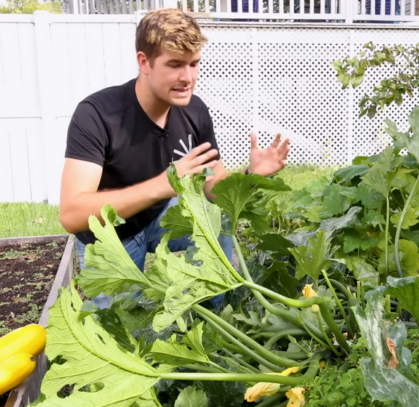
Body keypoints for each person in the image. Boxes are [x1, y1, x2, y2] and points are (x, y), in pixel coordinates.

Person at [58, 8, 291, 309]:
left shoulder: (194, 111)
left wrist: (249, 175)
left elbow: (212, 187)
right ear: (145, 62)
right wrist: (166, 183)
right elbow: (72, 214)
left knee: (216, 220)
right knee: (123, 335)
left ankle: (214, 319)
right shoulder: (97, 115)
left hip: (159, 216)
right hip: (110, 241)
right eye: (175, 65)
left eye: (194, 64)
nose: (188, 77)